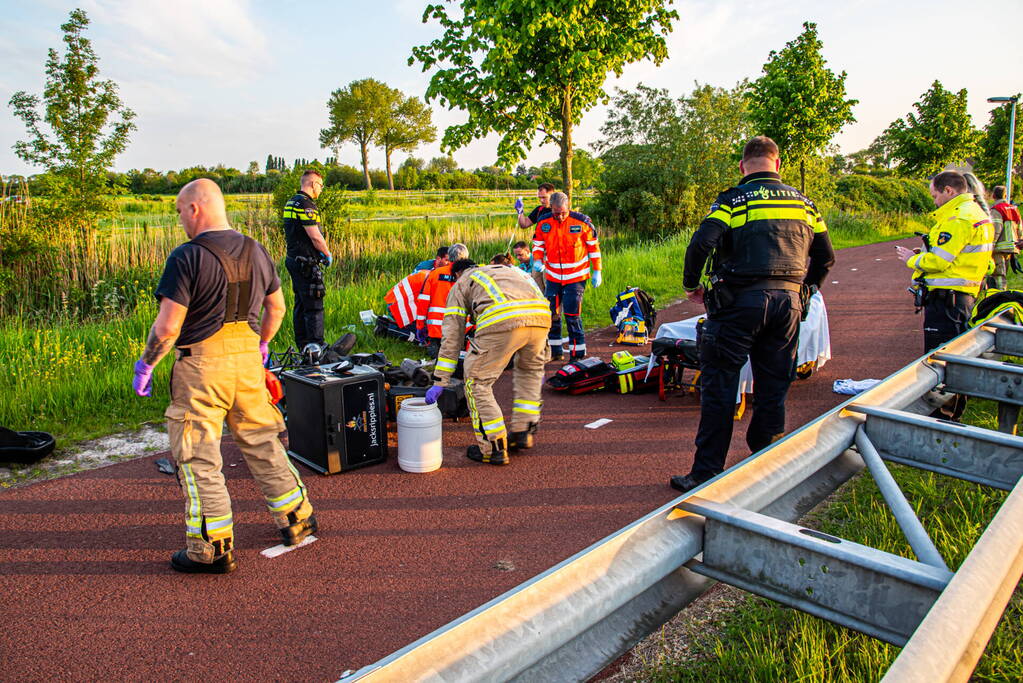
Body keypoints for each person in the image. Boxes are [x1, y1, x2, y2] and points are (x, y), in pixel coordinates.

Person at [132, 179, 316, 574]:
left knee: (198, 455)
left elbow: (167, 328)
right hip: (247, 360)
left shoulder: (186, 257)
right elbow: (278, 308)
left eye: (181, 211)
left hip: (202, 366)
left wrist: (147, 364)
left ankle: (211, 547)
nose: (180, 219)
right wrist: (262, 345)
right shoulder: (255, 249)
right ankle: (296, 518)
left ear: (195, 208)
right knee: (263, 440)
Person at [670, 136, 836, 493]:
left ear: (744, 166)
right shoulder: (804, 203)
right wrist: (807, 290)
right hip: (787, 303)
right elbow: (825, 257)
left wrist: (690, 286)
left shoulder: (733, 199)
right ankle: (767, 464)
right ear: (778, 164)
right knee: (774, 386)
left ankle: (705, 473)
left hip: (737, 303)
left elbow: (702, 242)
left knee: (721, 386)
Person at [424, 258, 551, 464]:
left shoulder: (462, 281)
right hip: (541, 318)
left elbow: (452, 335)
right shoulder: (508, 271)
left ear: (457, 273)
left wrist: (440, 381)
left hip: (502, 321)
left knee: (477, 384)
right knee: (529, 373)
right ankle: (523, 431)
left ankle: (493, 448)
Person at [896, 170, 994, 418]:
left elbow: (939, 262)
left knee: (940, 359)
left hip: (947, 299)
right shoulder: (977, 214)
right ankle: (952, 409)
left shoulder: (957, 218)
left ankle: (943, 415)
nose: (935, 201)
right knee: (955, 356)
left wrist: (913, 259)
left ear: (948, 191)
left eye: (935, 195)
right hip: (963, 296)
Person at [532, 192, 602, 360]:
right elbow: (538, 244)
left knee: (572, 315)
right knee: (552, 314)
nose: (561, 216)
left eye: (563, 212)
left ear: (568, 207)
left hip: (576, 277)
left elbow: (593, 248)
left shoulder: (582, 222)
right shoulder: (544, 222)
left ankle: (577, 353)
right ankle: (555, 352)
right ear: (551, 209)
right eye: (557, 213)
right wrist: (537, 260)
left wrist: (597, 270)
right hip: (553, 277)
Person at [282, 169, 331, 353]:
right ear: (312, 184)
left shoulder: (291, 202)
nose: (321, 190)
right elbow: (315, 236)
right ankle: (317, 347)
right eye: (320, 186)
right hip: (306, 263)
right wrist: (326, 253)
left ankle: (303, 345)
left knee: (301, 304)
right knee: (314, 303)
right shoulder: (307, 205)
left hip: (293, 259)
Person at [416, 242, 469, 356]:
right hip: (460, 326)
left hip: (436, 328)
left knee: (437, 358)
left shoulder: (435, 274)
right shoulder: (470, 274)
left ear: (450, 256)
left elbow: (423, 301)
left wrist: (420, 325)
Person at [988, 185, 1020, 289]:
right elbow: (1020, 228)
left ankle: (999, 296)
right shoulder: (1014, 209)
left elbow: (995, 230)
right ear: (1005, 195)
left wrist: (989, 247)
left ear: (993, 195)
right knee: (1004, 272)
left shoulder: (996, 209)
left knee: (999, 275)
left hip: (999, 248)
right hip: (1012, 247)